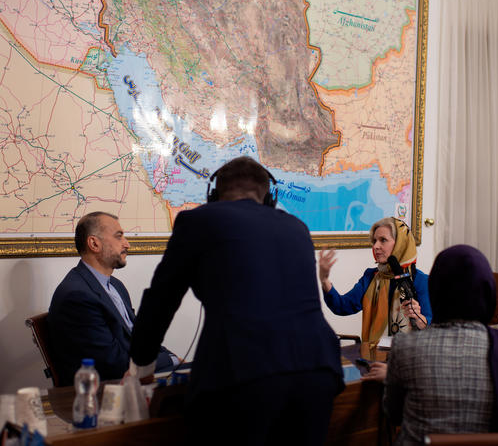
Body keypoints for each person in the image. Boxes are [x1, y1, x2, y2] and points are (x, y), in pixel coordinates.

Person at [129, 156, 344, 444]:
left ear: (213, 195)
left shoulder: (197, 221)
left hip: (243, 377)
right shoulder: (296, 228)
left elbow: (161, 300)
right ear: (269, 197)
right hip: (318, 372)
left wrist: (140, 369)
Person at [375, 245, 498, 445]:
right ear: (488, 293)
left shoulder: (406, 348)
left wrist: (391, 374)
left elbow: (394, 413)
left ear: (436, 291)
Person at [48, 212, 177, 386]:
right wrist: (170, 360)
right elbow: (114, 365)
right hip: (107, 392)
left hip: (135, 377)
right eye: (119, 237)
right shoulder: (77, 297)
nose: (127, 244)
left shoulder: (116, 285)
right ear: (94, 243)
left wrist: (171, 357)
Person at [319, 217, 431, 344]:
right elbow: (342, 307)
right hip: (373, 359)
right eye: (374, 241)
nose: (376, 246)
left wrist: (420, 319)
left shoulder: (421, 281)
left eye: (383, 240)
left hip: (407, 359)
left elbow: (432, 328)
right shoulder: (370, 276)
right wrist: (324, 279)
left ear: (401, 243)